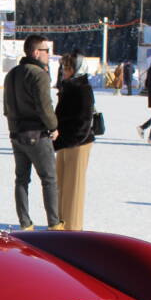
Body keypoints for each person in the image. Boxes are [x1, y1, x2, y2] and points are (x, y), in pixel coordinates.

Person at [3, 33, 62, 231]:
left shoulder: (12, 74)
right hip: (36, 134)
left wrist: (14, 128)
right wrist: (53, 127)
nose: (48, 55)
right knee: (49, 179)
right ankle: (54, 223)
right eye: (46, 51)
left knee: (21, 180)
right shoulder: (38, 74)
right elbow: (45, 107)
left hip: (16, 134)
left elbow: (7, 107)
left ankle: (25, 223)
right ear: (36, 52)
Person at [54, 53, 95, 230]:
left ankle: (72, 226)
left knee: (73, 186)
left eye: (69, 68)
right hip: (64, 141)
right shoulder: (68, 86)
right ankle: (61, 221)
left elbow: (84, 121)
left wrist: (71, 139)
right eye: (64, 67)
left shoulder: (83, 88)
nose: (65, 71)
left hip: (78, 143)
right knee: (61, 184)